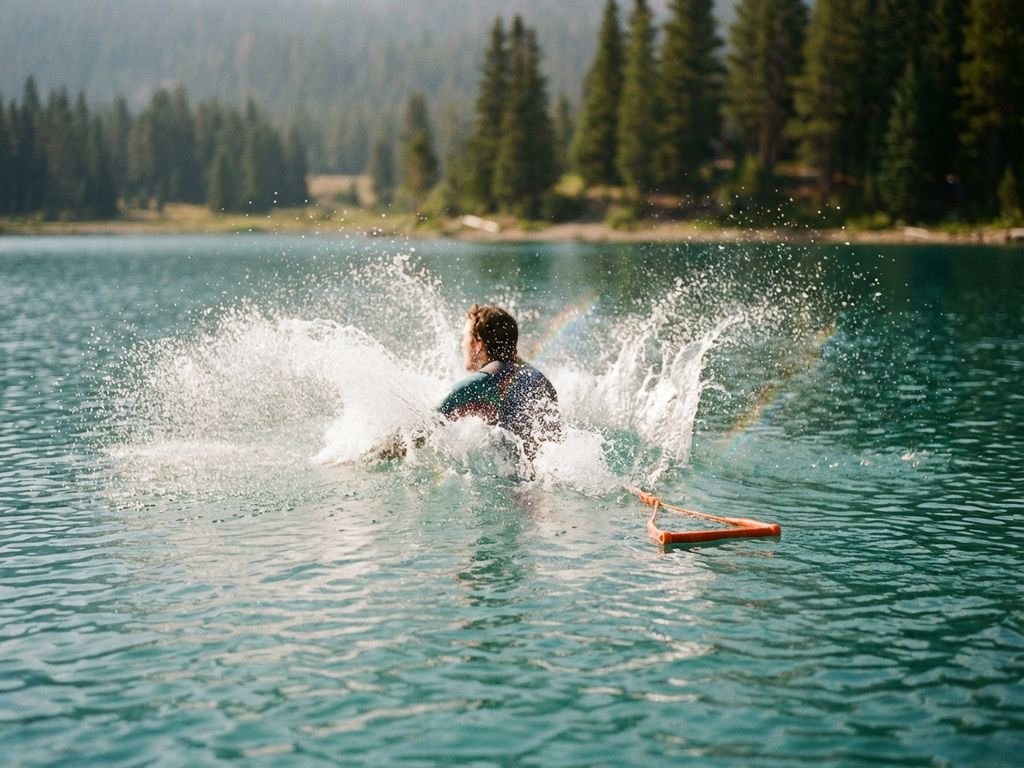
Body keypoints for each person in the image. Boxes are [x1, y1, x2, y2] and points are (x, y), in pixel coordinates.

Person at [439, 304, 560, 460]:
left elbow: (428, 423)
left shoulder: (482, 383)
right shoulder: (540, 381)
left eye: (465, 337)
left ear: (479, 344)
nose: (462, 344)